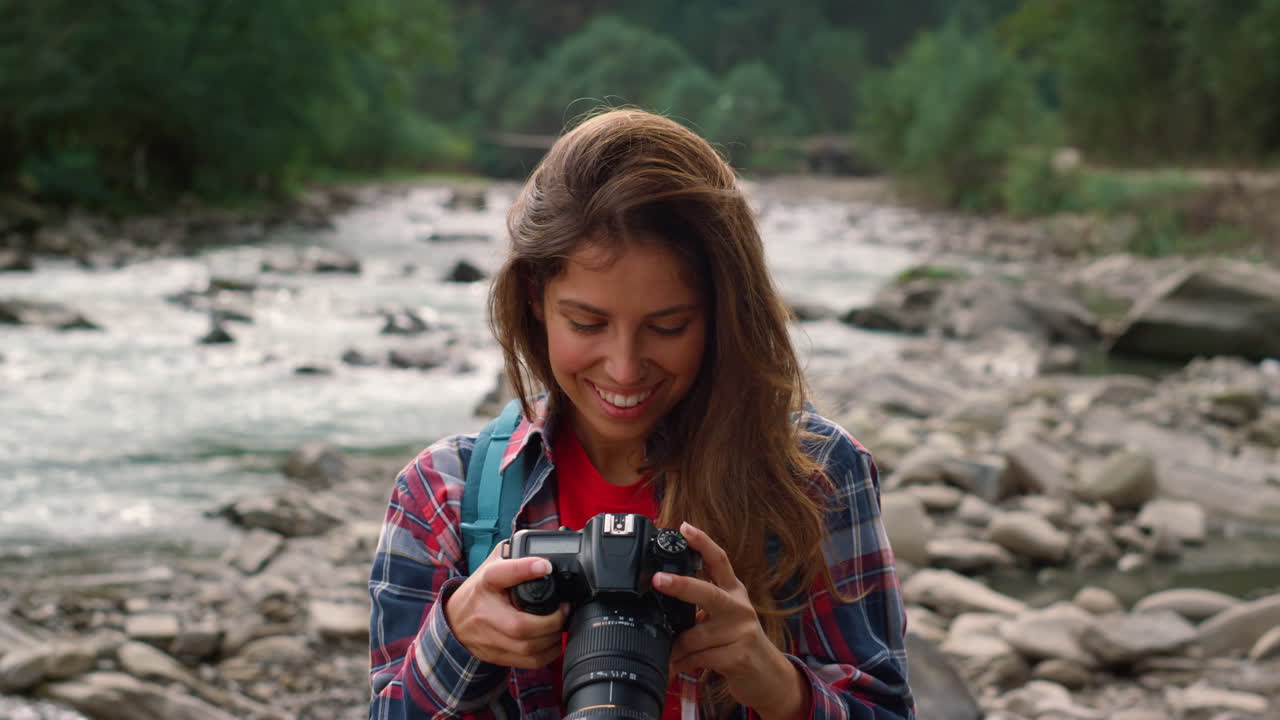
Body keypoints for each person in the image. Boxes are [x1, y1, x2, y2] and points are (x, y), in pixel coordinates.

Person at [368, 108, 914, 720]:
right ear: (534, 299)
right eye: (587, 323)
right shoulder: (446, 494)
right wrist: (458, 637)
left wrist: (766, 675)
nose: (624, 369)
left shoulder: (811, 476)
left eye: (668, 326)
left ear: (722, 314)